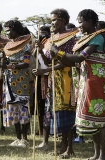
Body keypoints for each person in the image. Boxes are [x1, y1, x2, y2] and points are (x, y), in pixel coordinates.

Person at [49, 9, 105, 160]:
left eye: (81, 22)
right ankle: (96, 154)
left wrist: (59, 52)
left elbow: (80, 58)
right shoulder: (87, 38)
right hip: (88, 81)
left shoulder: (97, 39)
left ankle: (102, 155)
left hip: (97, 82)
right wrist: (57, 55)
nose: (79, 25)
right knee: (92, 119)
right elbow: (71, 61)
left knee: (100, 121)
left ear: (90, 22)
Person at [32, 8, 78, 158]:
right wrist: (40, 51)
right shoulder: (51, 39)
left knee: (66, 112)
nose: (52, 23)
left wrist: (46, 69)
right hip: (53, 79)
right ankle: (62, 146)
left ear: (63, 20)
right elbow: (48, 61)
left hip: (66, 79)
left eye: (55, 20)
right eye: (51, 20)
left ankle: (69, 148)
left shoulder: (71, 38)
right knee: (56, 112)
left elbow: (68, 62)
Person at [2, 20, 31, 147]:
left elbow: (26, 63)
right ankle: (17, 137)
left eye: (9, 30)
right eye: (6, 30)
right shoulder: (7, 45)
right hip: (8, 81)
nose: (7, 32)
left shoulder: (26, 45)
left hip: (21, 82)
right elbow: (5, 60)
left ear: (16, 30)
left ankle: (25, 138)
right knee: (13, 109)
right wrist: (2, 61)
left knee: (22, 109)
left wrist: (9, 66)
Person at [34, 26, 51, 150]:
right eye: (40, 33)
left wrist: (41, 51)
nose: (42, 35)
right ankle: (41, 131)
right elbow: (34, 58)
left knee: (48, 107)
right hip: (40, 78)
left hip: (50, 77)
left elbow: (49, 63)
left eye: (44, 33)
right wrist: (37, 48)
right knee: (42, 106)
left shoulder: (50, 45)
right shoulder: (39, 45)